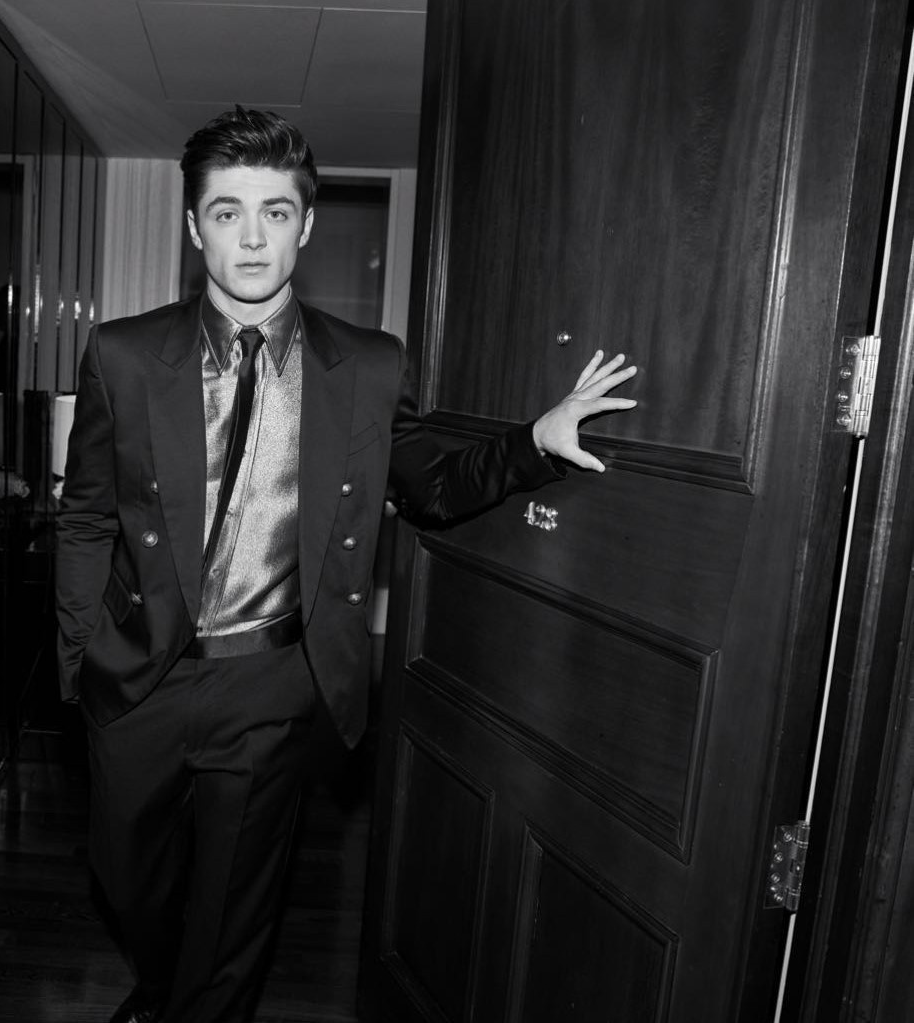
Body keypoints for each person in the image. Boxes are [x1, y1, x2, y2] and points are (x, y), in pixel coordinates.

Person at [55, 107, 638, 1023]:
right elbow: (86, 513)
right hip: (139, 676)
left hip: (272, 681)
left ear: (307, 225)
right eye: (227, 212)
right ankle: (164, 991)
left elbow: (433, 485)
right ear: (194, 227)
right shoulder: (122, 354)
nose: (253, 237)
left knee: (234, 914)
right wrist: (80, 650)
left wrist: (534, 441)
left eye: (276, 212)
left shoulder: (367, 366)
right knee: (127, 879)